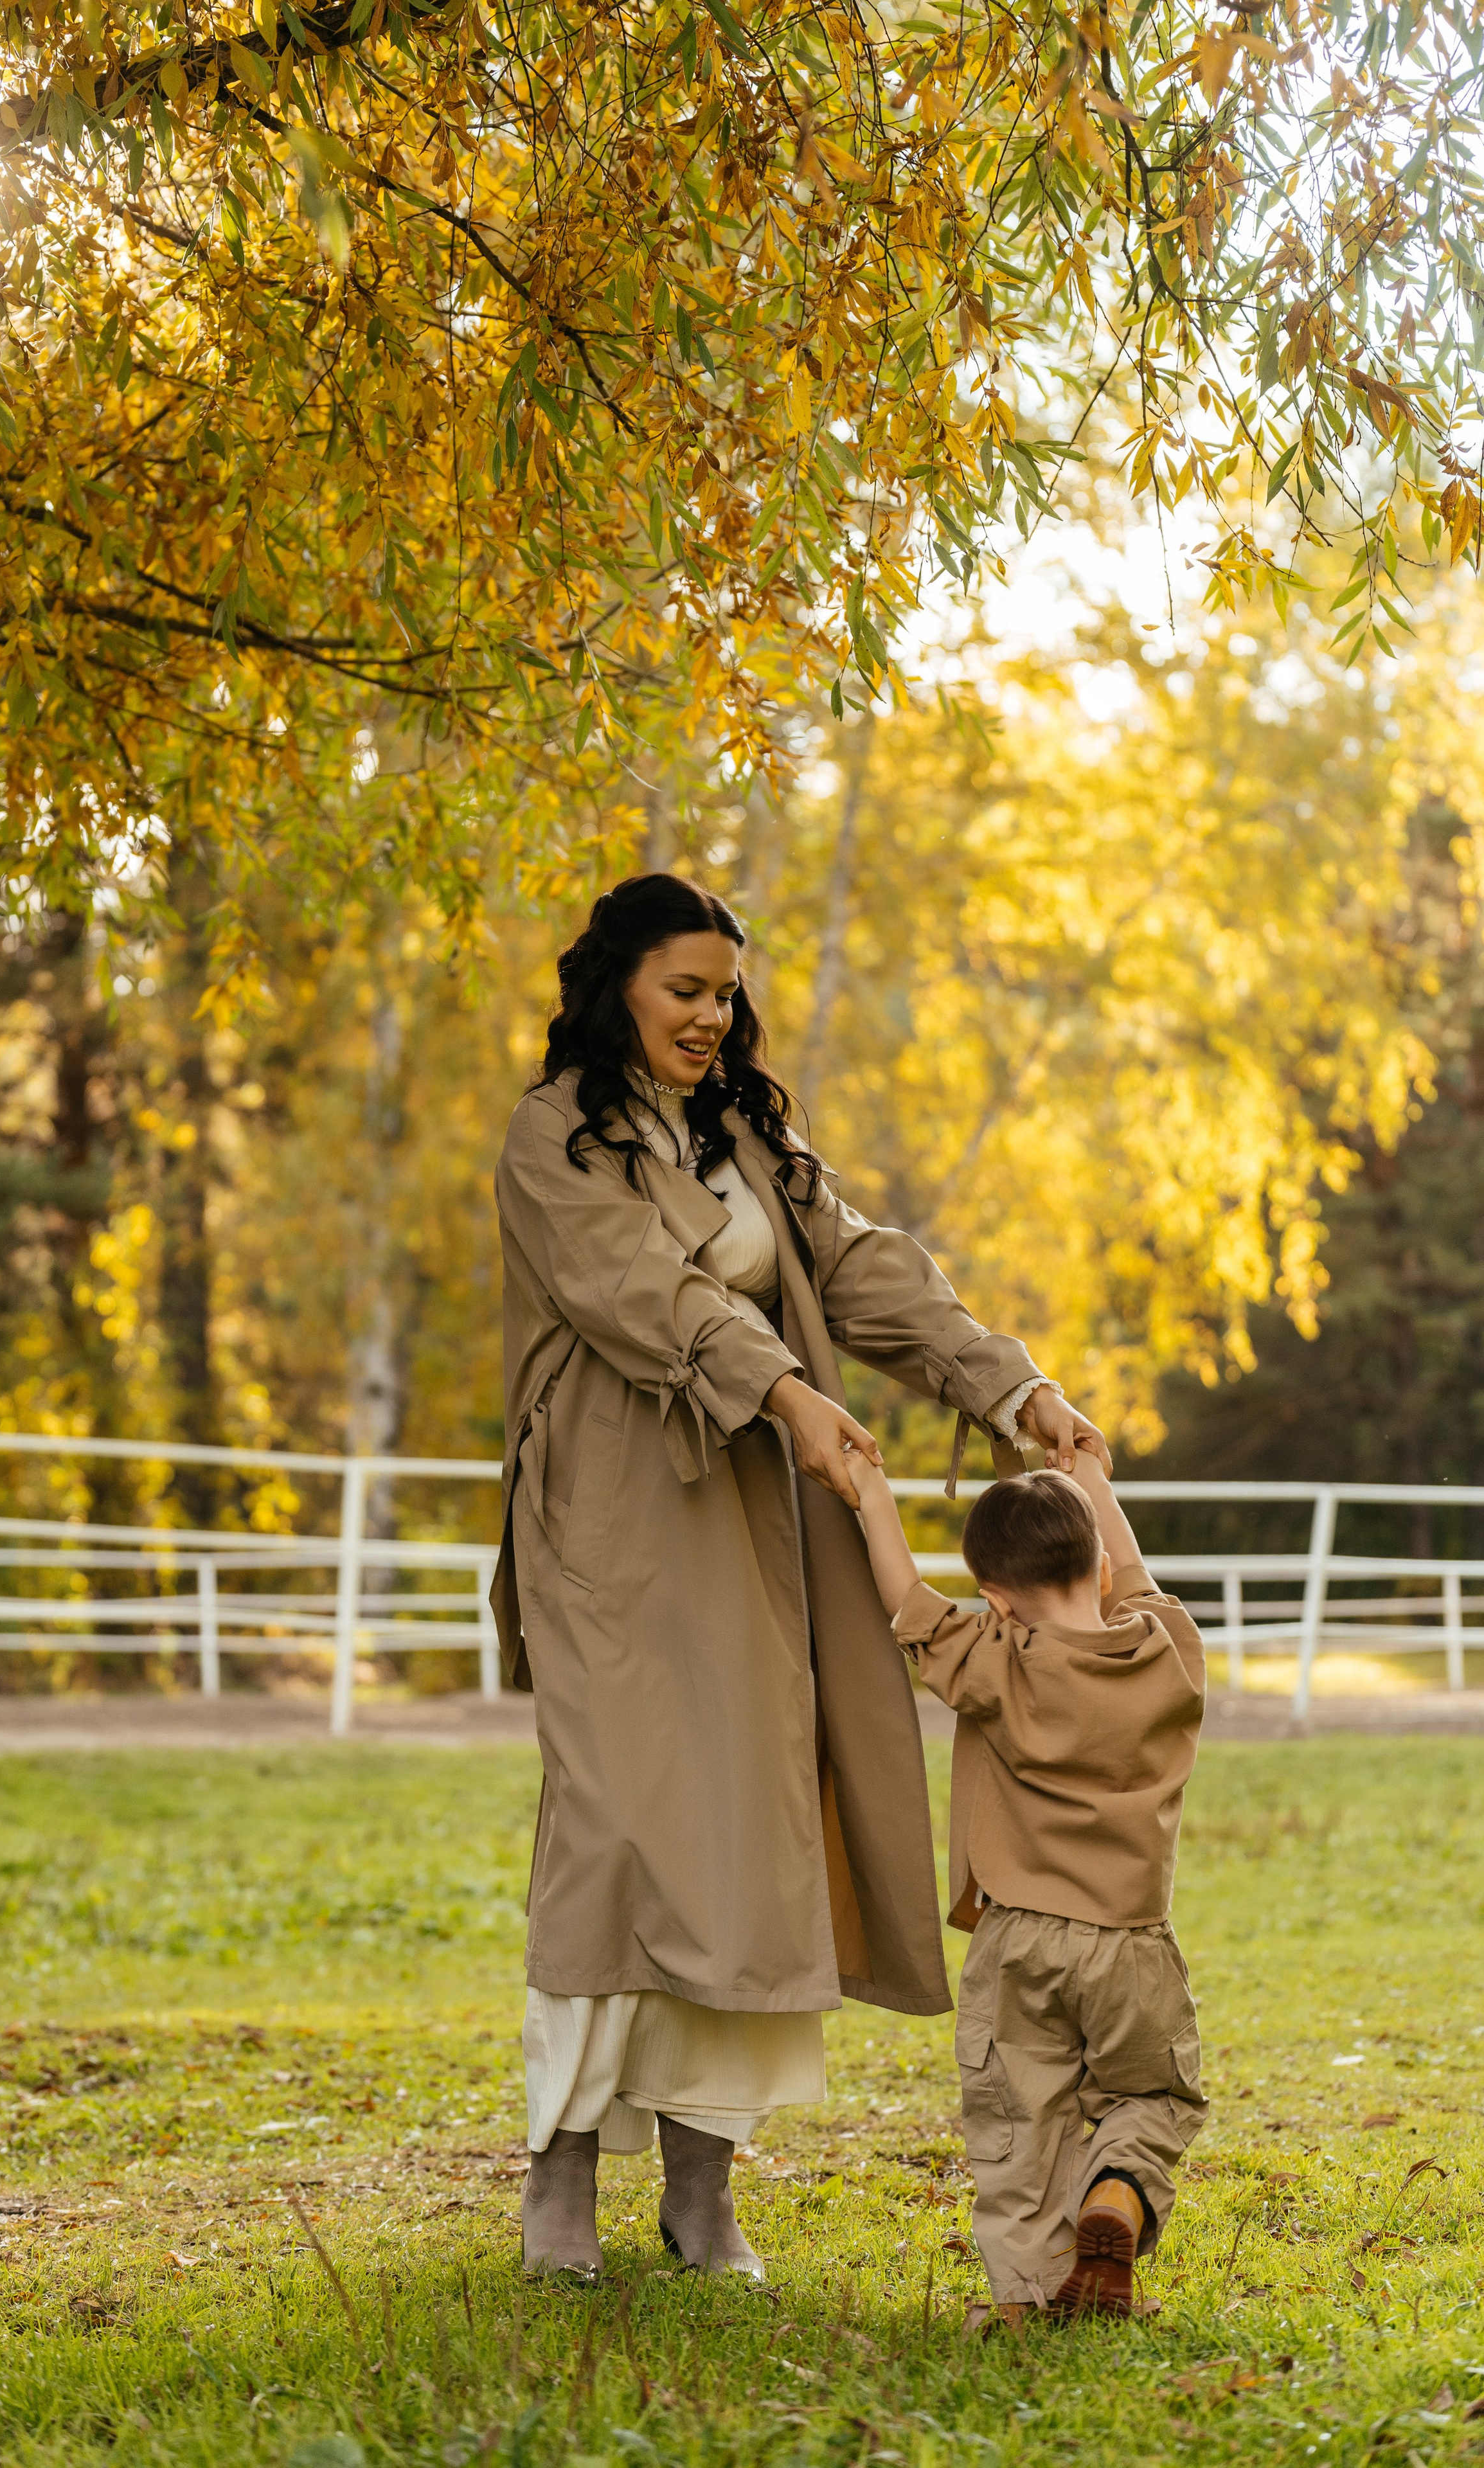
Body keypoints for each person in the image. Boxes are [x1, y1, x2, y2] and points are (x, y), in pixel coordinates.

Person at [489, 872, 1110, 2282]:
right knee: (614, 1831)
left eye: (723, 994)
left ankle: (702, 2192)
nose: (710, 1018)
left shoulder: (748, 1139)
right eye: (681, 991)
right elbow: (639, 1292)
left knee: (753, 1831)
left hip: (767, 1535)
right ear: (616, 990)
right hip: (616, 1529)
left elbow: (867, 1274)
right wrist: (785, 1396)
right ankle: (560, 2183)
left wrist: (1016, 1390)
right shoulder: (551, 1139)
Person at [848, 1444, 1208, 2320]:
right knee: (1151, 2095)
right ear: (1101, 1565)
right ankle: (1117, 2192)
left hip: (1018, 1945)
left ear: (997, 1600)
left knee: (1019, 2129)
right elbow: (1134, 1575)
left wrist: (869, 1494)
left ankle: (1023, 2300)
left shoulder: (998, 1663)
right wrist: (1095, 1486)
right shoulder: (1171, 1651)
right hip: (1131, 1944)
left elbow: (909, 1605)